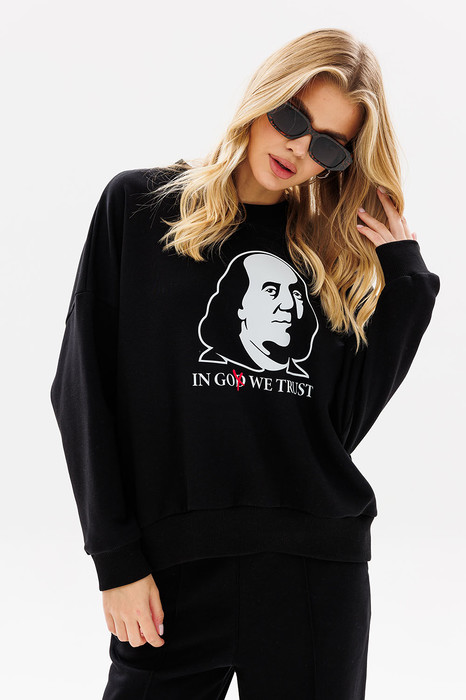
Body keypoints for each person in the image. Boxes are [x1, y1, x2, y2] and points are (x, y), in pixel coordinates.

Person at [50, 28, 440, 700]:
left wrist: (406, 283)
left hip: (313, 571)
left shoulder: (324, 257)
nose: (298, 148)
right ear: (264, 97)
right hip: (170, 575)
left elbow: (336, 430)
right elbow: (81, 391)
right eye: (292, 118)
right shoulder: (139, 208)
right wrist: (116, 561)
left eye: (327, 146)